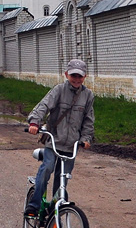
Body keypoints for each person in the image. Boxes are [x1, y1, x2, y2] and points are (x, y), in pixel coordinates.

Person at [24, 58, 95, 216]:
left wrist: (86, 138)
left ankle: (55, 210)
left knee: (62, 179)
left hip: (71, 146)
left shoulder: (88, 95)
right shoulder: (59, 90)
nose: (76, 79)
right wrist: (35, 122)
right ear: (66, 75)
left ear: (85, 77)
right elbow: (43, 105)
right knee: (47, 168)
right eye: (73, 75)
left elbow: (88, 120)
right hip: (54, 142)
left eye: (80, 76)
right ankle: (34, 205)